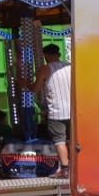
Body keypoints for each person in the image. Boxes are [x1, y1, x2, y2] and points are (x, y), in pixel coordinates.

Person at [37, 43, 72, 177]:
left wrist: (25, 85)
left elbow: (36, 88)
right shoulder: (69, 67)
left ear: (46, 55)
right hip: (72, 111)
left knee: (59, 141)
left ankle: (65, 169)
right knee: (71, 141)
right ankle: (73, 168)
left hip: (56, 111)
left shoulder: (46, 68)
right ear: (59, 54)